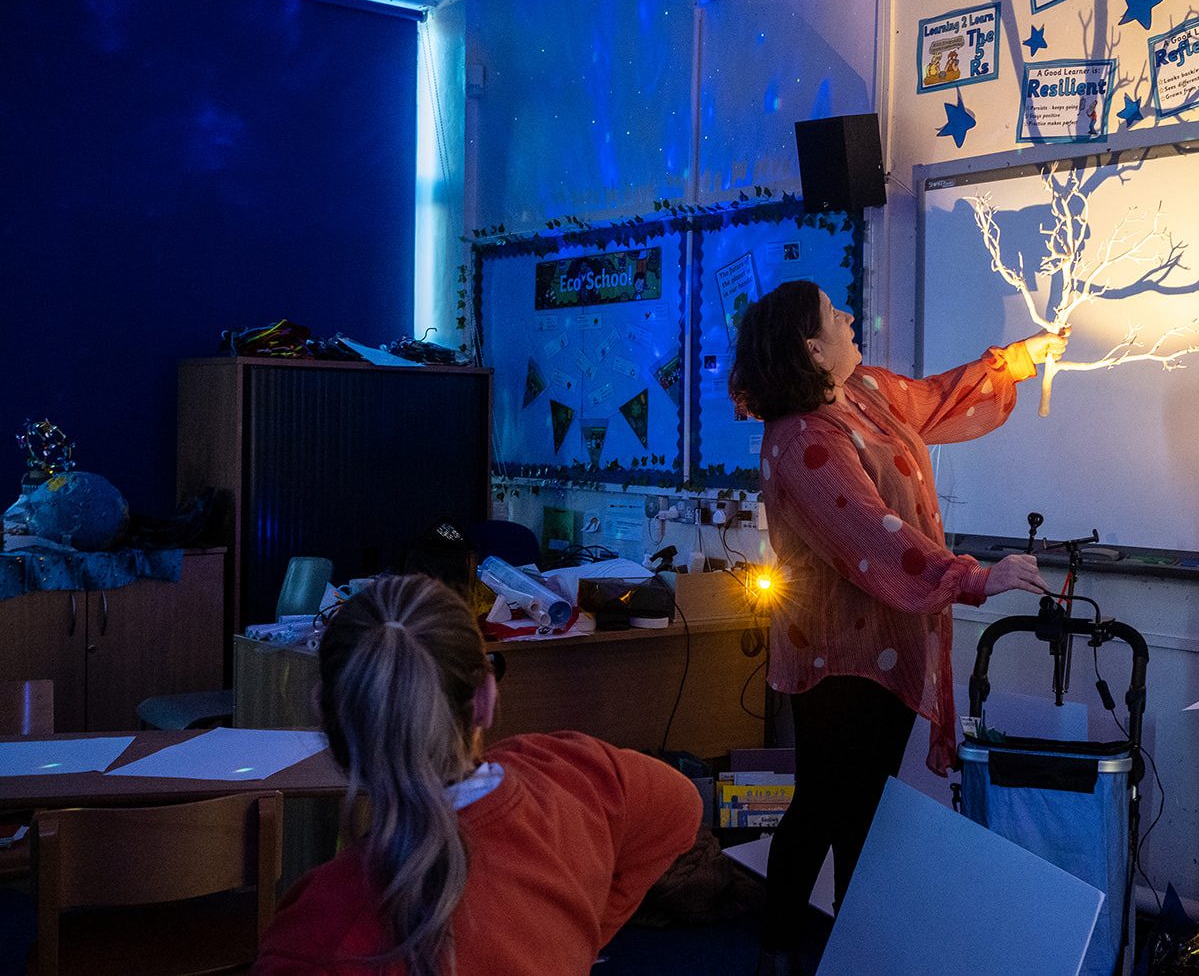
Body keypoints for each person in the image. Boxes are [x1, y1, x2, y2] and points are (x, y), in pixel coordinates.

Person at [728, 281, 1065, 974]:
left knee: (861, 811)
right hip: (840, 656)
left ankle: (851, 951)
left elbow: (937, 397)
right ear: (811, 349)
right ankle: (780, 952)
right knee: (827, 805)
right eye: (834, 315)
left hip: (890, 640)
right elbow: (874, 536)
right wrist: (975, 576)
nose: (851, 317)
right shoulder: (802, 441)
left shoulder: (865, 393)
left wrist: (1016, 362)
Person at [253, 575, 702, 976]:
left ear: (327, 717)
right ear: (485, 698)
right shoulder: (571, 775)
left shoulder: (316, 935)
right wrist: (585, 929)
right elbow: (681, 807)